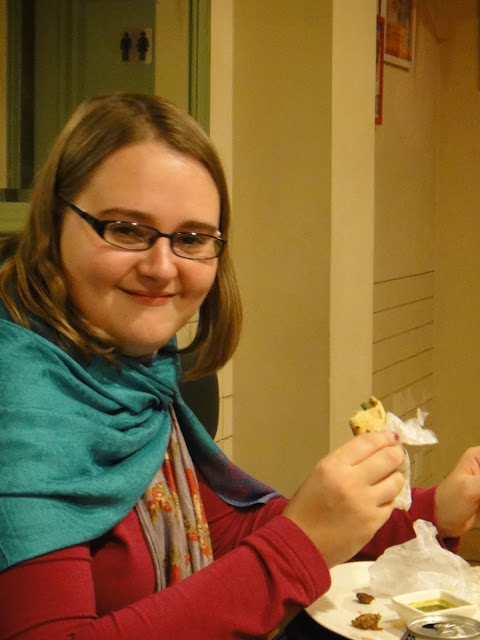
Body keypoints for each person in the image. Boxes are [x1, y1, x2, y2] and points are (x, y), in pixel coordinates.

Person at [0, 92, 479, 640]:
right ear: (53, 223)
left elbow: (221, 531)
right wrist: (301, 543)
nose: (162, 267)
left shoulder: (130, 376)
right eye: (125, 229)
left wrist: (431, 512)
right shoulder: (19, 406)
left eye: (191, 238)